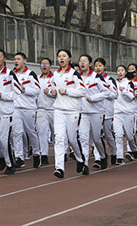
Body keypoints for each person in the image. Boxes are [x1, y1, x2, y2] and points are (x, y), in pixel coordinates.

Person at [50, 49, 86, 178]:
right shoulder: (55, 74)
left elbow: (82, 91)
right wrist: (51, 92)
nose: (61, 58)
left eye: (64, 56)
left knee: (72, 139)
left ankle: (80, 159)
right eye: (59, 56)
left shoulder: (74, 74)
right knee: (59, 139)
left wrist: (67, 91)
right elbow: (52, 87)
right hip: (59, 110)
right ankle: (59, 168)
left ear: (69, 59)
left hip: (73, 111)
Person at [0, 49, 22, 175]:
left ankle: (10, 164)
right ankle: (2, 156)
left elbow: (18, 92)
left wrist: (4, 95)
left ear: (4, 59)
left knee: (4, 140)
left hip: (6, 113)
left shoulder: (10, 74)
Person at [78, 55, 110, 171]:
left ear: (90, 64)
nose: (82, 63)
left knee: (96, 138)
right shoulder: (77, 77)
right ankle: (84, 164)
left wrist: (94, 97)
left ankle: (102, 156)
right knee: (83, 138)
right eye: (80, 61)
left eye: (85, 61)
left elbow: (107, 92)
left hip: (96, 112)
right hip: (83, 112)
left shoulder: (96, 77)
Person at [12, 52, 42, 168]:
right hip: (15, 108)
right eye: (15, 59)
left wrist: (24, 89)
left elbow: (37, 90)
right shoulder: (12, 74)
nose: (16, 61)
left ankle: (36, 153)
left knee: (31, 132)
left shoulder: (30, 74)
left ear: (24, 61)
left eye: (18, 59)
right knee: (17, 133)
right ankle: (19, 157)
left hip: (29, 108)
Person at [93, 58, 118, 166]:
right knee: (96, 136)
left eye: (100, 65)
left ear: (104, 67)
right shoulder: (92, 78)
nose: (98, 68)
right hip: (95, 111)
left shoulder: (109, 79)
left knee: (108, 135)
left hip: (107, 112)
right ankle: (98, 158)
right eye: (96, 66)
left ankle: (114, 153)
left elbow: (115, 94)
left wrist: (105, 93)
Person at [113, 65, 136, 165]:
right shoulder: (113, 83)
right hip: (117, 113)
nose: (120, 72)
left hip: (128, 113)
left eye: (122, 70)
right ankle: (120, 157)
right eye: (118, 71)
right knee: (118, 135)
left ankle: (133, 149)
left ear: (125, 72)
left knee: (130, 137)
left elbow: (132, 97)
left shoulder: (129, 83)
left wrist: (124, 91)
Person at [37, 57, 56, 165]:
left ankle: (60, 153)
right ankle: (43, 154)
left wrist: (49, 92)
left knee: (55, 133)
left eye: (46, 64)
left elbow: (57, 94)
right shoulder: (37, 79)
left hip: (53, 109)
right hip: (41, 109)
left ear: (50, 66)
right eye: (42, 64)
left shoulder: (54, 78)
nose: (44, 66)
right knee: (42, 132)